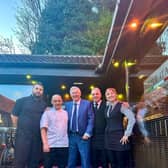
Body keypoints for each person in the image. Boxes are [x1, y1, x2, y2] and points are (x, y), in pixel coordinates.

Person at [11, 83, 47, 168]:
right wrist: (18, 129)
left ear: (42, 92)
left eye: (41, 89)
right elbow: (14, 116)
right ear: (33, 89)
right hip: (23, 137)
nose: (38, 91)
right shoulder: (21, 101)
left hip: (37, 138)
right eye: (37, 88)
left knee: (34, 162)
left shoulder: (44, 104)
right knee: (20, 161)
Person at [104, 88, 135, 168]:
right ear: (106, 97)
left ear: (116, 95)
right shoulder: (107, 107)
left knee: (121, 163)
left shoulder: (121, 106)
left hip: (119, 137)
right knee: (112, 162)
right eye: (108, 94)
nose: (110, 95)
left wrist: (127, 134)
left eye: (112, 93)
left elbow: (132, 118)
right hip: (108, 138)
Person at [65, 86, 94, 168]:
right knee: (71, 159)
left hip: (83, 136)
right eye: (73, 93)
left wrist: (88, 133)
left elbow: (91, 119)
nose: (75, 94)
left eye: (77, 92)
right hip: (71, 136)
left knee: (85, 159)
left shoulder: (87, 103)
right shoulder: (67, 105)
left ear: (80, 93)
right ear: (70, 94)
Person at [40, 94, 68, 168]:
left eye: (59, 101)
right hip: (50, 144)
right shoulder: (47, 113)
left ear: (62, 101)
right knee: (48, 165)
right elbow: (43, 129)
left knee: (62, 166)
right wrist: (45, 144)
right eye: (55, 101)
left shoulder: (66, 113)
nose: (57, 103)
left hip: (63, 145)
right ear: (52, 102)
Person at [90, 87, 108, 168]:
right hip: (93, 137)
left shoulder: (107, 104)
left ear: (101, 95)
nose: (95, 95)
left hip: (104, 137)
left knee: (105, 160)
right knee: (94, 160)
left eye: (97, 94)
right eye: (93, 94)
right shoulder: (89, 105)